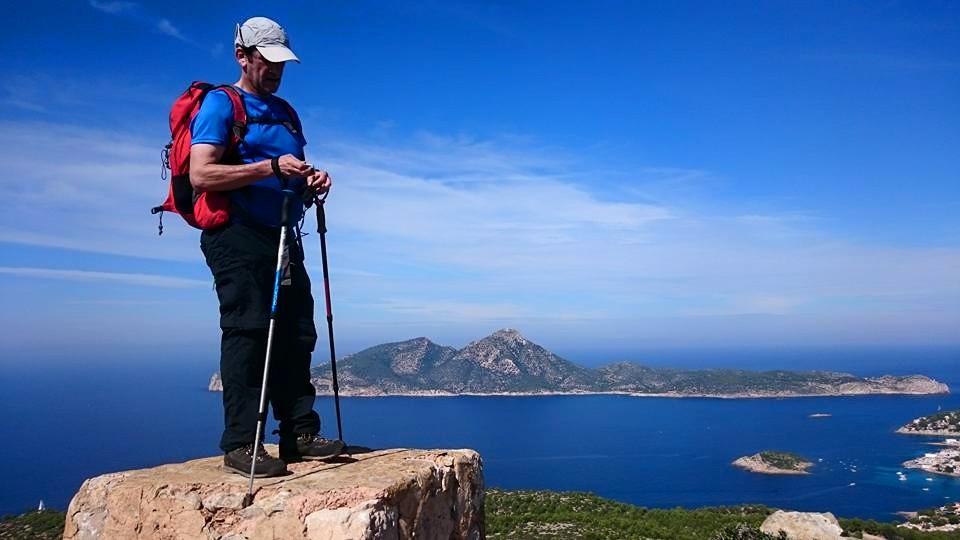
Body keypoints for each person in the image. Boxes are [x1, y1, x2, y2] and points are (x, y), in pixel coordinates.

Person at [190, 16, 344, 477]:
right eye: (267, 61)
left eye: (281, 62)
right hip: (236, 234)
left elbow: (289, 169)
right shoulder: (222, 105)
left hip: (283, 233)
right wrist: (269, 168)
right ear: (243, 56)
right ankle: (241, 443)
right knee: (249, 330)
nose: (276, 70)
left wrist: (313, 180)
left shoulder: (286, 112)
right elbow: (202, 174)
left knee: (297, 330)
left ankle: (298, 432)